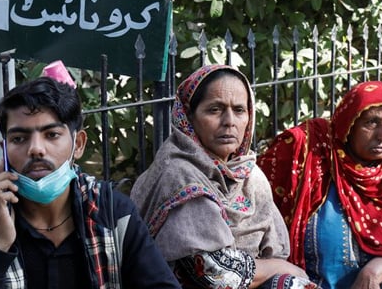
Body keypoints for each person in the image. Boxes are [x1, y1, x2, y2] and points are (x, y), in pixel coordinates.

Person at [0, 64, 180, 288]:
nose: (36, 148)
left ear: (78, 144)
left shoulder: (113, 213)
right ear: (4, 150)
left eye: (51, 135)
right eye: (19, 138)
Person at [130, 64, 318, 289]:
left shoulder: (249, 174)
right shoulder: (179, 174)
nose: (229, 121)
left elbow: (277, 250)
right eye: (214, 110)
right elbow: (215, 273)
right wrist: (282, 269)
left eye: (239, 110)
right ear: (189, 116)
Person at [257, 81, 382, 289]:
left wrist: (376, 269)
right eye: (371, 122)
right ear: (348, 125)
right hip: (313, 282)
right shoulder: (307, 151)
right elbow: (257, 208)